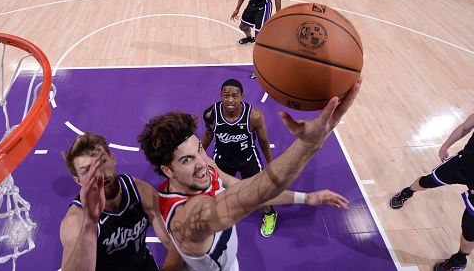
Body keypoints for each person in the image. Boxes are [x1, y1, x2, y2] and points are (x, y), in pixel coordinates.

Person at [137, 80, 361, 270]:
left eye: (199, 151)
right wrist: (307, 145)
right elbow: (253, 194)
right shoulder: (188, 216)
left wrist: (307, 197)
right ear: (167, 170)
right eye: (187, 160)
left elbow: (244, 188)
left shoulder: (203, 173)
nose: (202, 165)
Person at [60, 133, 184, 271]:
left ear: (113, 159)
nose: (99, 174)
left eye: (102, 162)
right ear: (78, 181)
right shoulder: (76, 220)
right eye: (87, 171)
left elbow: (174, 243)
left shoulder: (140, 191)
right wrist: (90, 222)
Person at [390, 111, 474, 271]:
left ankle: (459, 259)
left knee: (470, 229)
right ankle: (408, 192)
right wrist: (445, 146)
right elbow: (465, 127)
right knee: (429, 180)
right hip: (463, 165)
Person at [202, 79, 278, 238]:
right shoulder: (211, 114)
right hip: (222, 160)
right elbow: (208, 135)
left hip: (248, 160)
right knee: (217, 192)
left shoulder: (254, 116)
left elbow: (264, 141)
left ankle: (270, 214)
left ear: (242, 96)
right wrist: (199, 154)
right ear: (221, 95)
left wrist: (270, 164)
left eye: (235, 96)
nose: (230, 100)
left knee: (257, 193)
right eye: (226, 95)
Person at [231, 0, 281, 79]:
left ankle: (260, 69)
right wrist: (237, 8)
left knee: (259, 41)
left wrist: (279, 14)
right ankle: (249, 37)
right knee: (242, 26)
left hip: (264, 8)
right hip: (252, 5)